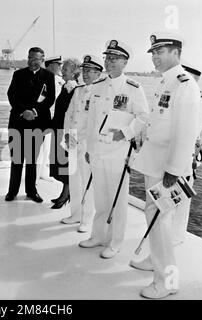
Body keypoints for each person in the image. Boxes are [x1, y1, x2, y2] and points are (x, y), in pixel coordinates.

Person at [130, 32, 201, 299]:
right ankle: (154, 260)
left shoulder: (184, 85)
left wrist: (173, 170)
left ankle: (167, 281)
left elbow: (185, 133)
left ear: (175, 53)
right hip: (155, 162)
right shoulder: (165, 82)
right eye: (153, 53)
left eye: (160, 52)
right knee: (156, 218)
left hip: (166, 169)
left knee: (160, 219)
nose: (155, 57)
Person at [130, 63, 202, 272]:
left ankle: (164, 257)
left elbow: (188, 134)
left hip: (181, 161)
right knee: (167, 211)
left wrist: (175, 165)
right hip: (173, 160)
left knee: (168, 212)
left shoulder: (199, 99)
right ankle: (162, 254)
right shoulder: (177, 90)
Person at [79, 40, 149, 259]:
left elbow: (144, 117)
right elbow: (91, 121)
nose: (108, 62)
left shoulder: (133, 88)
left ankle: (115, 242)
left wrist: (125, 133)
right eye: (107, 58)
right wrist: (89, 149)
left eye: (114, 58)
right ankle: (98, 236)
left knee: (118, 200)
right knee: (100, 198)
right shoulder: (98, 86)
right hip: (98, 151)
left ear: (125, 62)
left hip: (118, 152)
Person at [5, 47, 55, 202]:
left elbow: (50, 98)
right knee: (17, 159)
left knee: (32, 159)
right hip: (18, 122)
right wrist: (23, 111)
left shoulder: (48, 76)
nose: (33, 61)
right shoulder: (18, 74)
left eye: (36, 58)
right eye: (30, 58)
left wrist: (33, 111)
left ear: (42, 59)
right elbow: (11, 95)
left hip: (37, 122)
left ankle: (31, 191)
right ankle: (12, 191)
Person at [61, 55, 103, 233]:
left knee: (88, 182)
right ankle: (75, 214)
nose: (85, 74)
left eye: (89, 71)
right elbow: (68, 114)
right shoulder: (78, 90)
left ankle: (87, 219)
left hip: (87, 143)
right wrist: (67, 136)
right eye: (84, 70)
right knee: (74, 179)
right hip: (72, 140)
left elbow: (97, 121)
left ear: (98, 73)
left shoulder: (100, 92)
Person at [171, 64, 202, 245]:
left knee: (181, 197)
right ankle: (169, 233)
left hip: (186, 156)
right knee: (172, 196)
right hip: (176, 153)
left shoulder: (201, 99)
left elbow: (191, 131)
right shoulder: (183, 96)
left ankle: (177, 236)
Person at [49, 58, 80, 210]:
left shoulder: (75, 89)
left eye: (66, 70)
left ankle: (66, 195)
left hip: (68, 133)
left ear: (74, 72)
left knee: (66, 164)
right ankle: (65, 192)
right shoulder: (65, 87)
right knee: (60, 163)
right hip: (59, 129)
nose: (62, 72)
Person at [37, 56, 64, 181]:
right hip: (44, 118)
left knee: (47, 148)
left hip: (56, 119)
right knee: (40, 149)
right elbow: (40, 100)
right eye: (58, 64)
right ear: (50, 65)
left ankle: (43, 172)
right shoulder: (42, 78)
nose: (60, 67)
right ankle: (35, 177)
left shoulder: (61, 81)